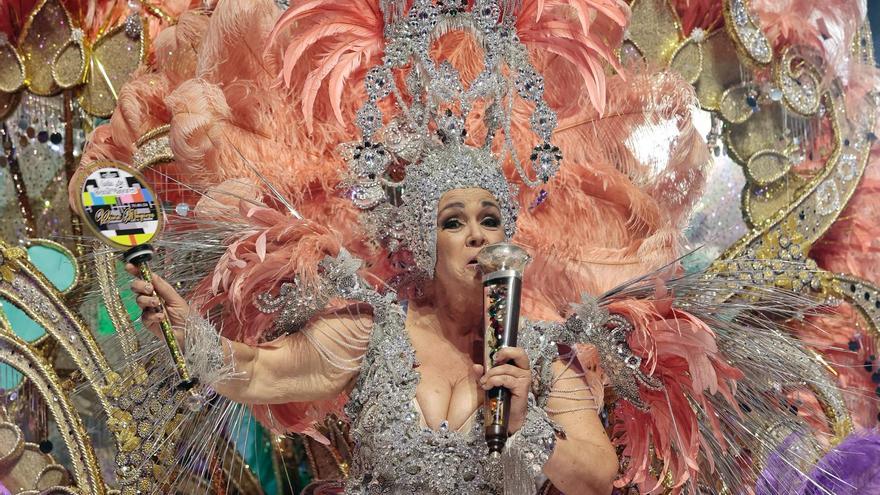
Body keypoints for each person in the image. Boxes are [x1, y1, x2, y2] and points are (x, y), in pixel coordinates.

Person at [129, 144, 619, 494]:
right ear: (426, 242)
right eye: (453, 222)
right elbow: (258, 371)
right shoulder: (376, 332)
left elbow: (597, 480)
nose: (476, 236)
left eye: (490, 220)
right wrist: (189, 333)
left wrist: (524, 425)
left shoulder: (537, 358)